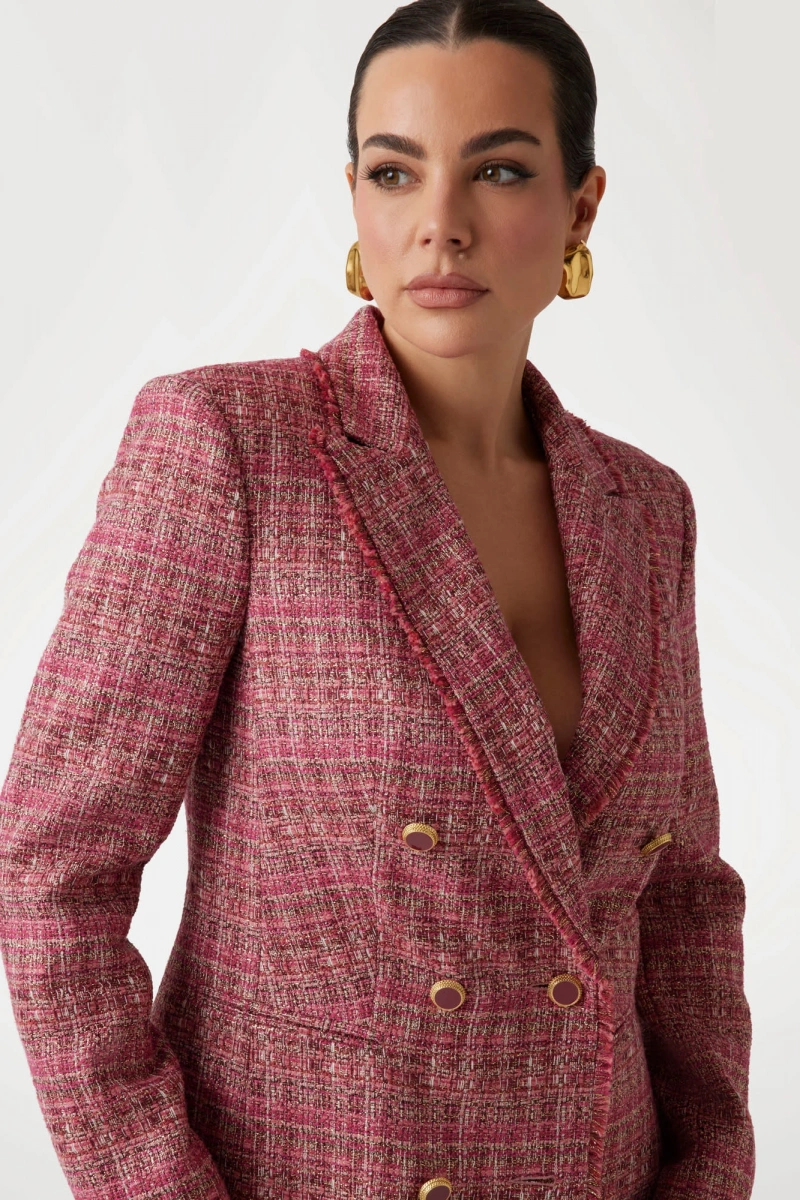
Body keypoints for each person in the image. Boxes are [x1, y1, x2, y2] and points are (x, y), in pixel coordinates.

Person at [0, 2, 755, 1198]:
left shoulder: (644, 509)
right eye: (394, 172)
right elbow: (52, 872)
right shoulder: (232, 446)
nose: (438, 223)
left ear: (579, 209)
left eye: (497, 170)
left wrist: (711, 1170)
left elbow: (683, 906)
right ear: (353, 197)